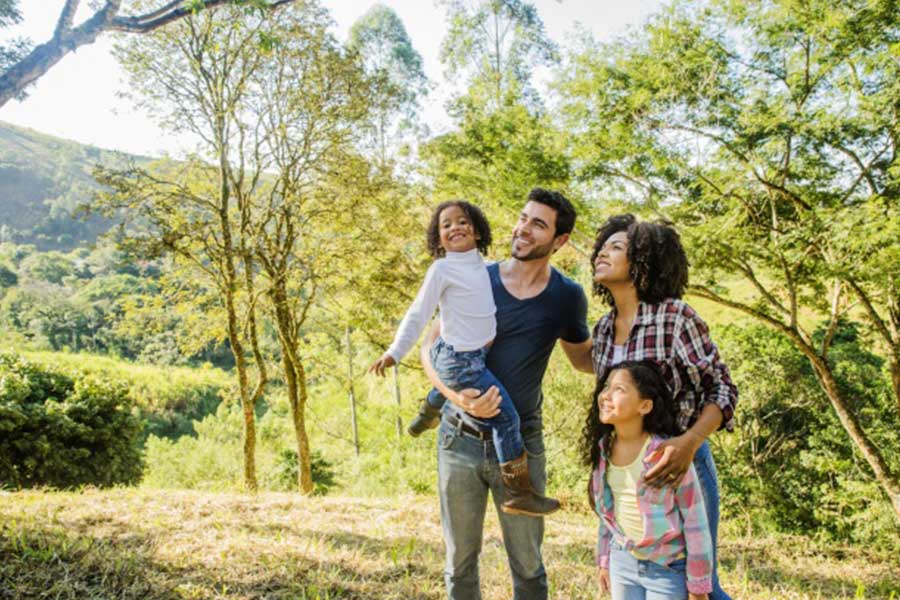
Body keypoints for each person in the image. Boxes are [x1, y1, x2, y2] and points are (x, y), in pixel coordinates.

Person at [420, 187, 594, 600]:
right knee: (459, 565)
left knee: (529, 567)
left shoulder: (567, 297)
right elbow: (430, 349)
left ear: (560, 240)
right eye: (523, 218)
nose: (523, 229)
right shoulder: (475, 278)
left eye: (539, 224)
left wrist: (633, 342)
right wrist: (456, 397)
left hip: (521, 446)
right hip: (458, 440)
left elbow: (583, 360)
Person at [369, 199, 558, 516]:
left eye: (462, 221)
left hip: (470, 353)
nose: (455, 227)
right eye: (446, 225)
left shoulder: (483, 267)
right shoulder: (442, 270)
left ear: (477, 230)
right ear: (438, 238)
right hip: (459, 359)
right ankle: (518, 493)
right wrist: (394, 352)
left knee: (451, 382)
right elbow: (418, 314)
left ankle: (429, 412)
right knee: (506, 418)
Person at [588, 214, 738, 600]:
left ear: (642, 262)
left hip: (679, 466)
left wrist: (688, 443)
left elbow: (721, 388)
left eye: (616, 247)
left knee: (700, 582)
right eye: (603, 245)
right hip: (626, 470)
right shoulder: (603, 330)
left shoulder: (674, 317)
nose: (603, 251)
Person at [583, 360, 712, 600]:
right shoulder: (603, 450)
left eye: (619, 389)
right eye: (606, 387)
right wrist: (604, 560)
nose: (606, 395)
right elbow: (607, 514)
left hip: (667, 569)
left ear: (644, 405)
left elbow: (696, 523)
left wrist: (698, 586)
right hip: (622, 562)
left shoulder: (667, 455)